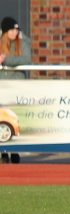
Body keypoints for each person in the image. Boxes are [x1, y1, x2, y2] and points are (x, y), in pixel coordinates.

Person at [0, 16, 31, 164]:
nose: (14, 32)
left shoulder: (23, 43)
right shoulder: (1, 43)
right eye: (11, 30)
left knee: (14, 118)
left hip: (17, 87)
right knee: (3, 119)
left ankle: (15, 150)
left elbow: (26, 59)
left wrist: (6, 60)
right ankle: (4, 151)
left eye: (16, 30)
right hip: (3, 87)